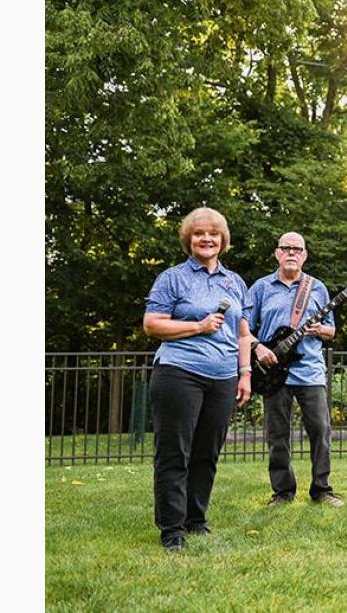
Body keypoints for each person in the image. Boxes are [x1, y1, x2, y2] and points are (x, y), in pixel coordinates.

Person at [143, 207, 253, 551]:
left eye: (213, 234)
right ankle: (172, 529)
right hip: (179, 373)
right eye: (199, 234)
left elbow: (243, 333)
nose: (207, 239)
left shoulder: (234, 282)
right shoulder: (172, 278)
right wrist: (198, 326)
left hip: (222, 377)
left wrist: (244, 373)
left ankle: (195, 520)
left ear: (223, 240)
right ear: (188, 239)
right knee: (175, 452)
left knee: (207, 452)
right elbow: (152, 324)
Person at [245, 232, 343, 507]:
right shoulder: (261, 288)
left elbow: (331, 330)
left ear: (304, 255)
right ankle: (283, 492)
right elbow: (244, 328)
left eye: (296, 249)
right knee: (277, 434)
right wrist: (258, 349)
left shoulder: (317, 288)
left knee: (321, 431)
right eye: (285, 248)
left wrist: (320, 329)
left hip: (310, 370)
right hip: (273, 372)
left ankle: (322, 489)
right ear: (277, 253)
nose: (291, 253)